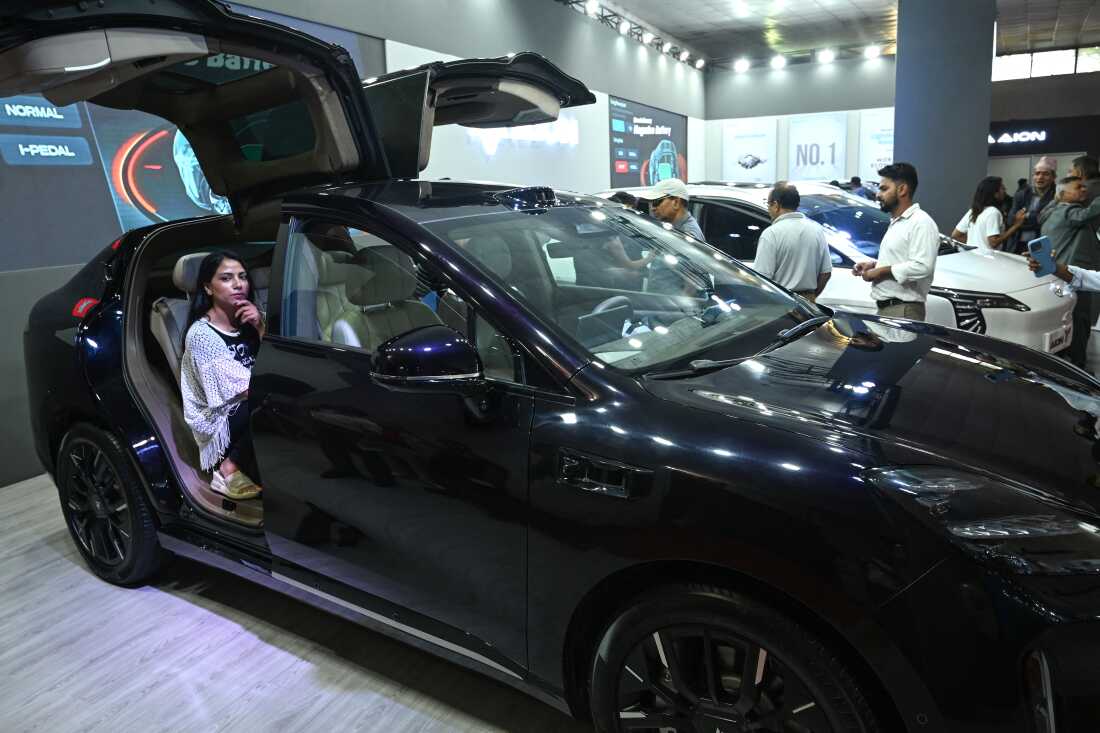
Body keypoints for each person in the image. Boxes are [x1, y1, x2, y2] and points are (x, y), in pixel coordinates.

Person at [180, 251, 265, 501]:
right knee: (271, 397)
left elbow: (274, 362)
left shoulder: (249, 319)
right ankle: (228, 467)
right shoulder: (201, 336)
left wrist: (260, 327)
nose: (239, 284)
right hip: (219, 418)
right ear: (208, 287)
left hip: (248, 403)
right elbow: (239, 391)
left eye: (243, 277)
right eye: (227, 278)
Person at [851, 162, 939, 320]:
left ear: (902, 189)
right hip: (891, 309)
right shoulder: (898, 222)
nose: (878, 194)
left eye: (884, 189)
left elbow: (923, 266)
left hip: (903, 311)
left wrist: (881, 271)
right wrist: (874, 265)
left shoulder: (921, 222)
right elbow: (900, 259)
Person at [1038, 176, 1100, 370]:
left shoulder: (1050, 211)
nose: (1084, 190)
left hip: (1058, 276)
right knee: (1080, 320)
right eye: (1078, 187)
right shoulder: (1068, 211)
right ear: (1063, 193)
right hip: (1069, 276)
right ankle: (1078, 367)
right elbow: (1088, 213)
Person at [752, 182, 832, 302]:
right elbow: (826, 273)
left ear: (776, 204)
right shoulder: (816, 230)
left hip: (780, 303)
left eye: (768, 204)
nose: (768, 209)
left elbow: (762, 279)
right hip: (808, 304)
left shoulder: (771, 233)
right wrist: (810, 297)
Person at [950, 176, 1026, 251]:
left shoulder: (974, 210)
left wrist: (975, 244)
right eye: (1002, 188)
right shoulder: (993, 212)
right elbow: (993, 243)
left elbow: (955, 235)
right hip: (988, 260)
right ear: (995, 193)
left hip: (973, 257)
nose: (1005, 190)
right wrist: (1016, 226)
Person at [1007, 157, 1058, 253]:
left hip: (1042, 244)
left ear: (1053, 177)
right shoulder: (1022, 194)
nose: (1040, 177)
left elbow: (1046, 222)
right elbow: (1010, 220)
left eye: (1045, 174)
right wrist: (1034, 218)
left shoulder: (1057, 196)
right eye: (1037, 173)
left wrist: (1023, 219)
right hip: (1017, 244)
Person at [640, 178, 704, 241]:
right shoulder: (673, 229)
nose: (652, 208)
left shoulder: (688, 236)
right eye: (651, 203)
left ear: (676, 203)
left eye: (656, 202)